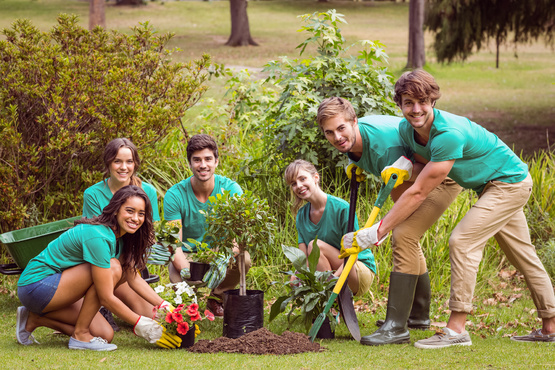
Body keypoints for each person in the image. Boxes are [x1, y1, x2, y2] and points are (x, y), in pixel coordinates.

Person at [340, 69, 555, 348]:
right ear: (400, 105)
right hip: (487, 187)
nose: (416, 109)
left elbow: (418, 193)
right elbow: (419, 167)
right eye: (408, 103)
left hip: (509, 183)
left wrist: (376, 231)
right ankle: (551, 327)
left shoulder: (448, 133)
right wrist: (405, 166)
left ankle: (456, 330)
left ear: (433, 101)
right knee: (523, 256)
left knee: (462, 241)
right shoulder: (408, 130)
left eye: (422, 102)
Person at [316, 97, 462, 345]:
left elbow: (414, 190)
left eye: (341, 128)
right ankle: (417, 316)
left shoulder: (385, 150)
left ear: (354, 121)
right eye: (329, 133)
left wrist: (378, 230)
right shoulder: (357, 141)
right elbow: (364, 151)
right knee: (408, 236)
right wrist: (357, 162)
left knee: (403, 235)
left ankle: (396, 326)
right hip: (409, 177)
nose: (337, 137)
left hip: (439, 178)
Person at [16, 185, 181, 351]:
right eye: (129, 211)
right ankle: (80, 335)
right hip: (36, 285)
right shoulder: (99, 235)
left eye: (141, 213)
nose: (135, 218)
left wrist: (165, 306)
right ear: (116, 210)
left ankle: (34, 318)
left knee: (104, 334)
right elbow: (106, 297)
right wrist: (141, 323)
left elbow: (133, 277)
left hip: (60, 286)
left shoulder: (123, 237)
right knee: (114, 267)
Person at [163, 134, 248, 317]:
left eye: (208, 159)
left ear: (216, 161)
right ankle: (191, 301)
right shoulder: (175, 195)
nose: (203, 165)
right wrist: (187, 271)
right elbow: (173, 243)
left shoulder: (231, 189)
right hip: (189, 254)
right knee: (177, 274)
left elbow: (236, 237)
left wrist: (224, 259)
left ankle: (216, 298)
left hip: (219, 252)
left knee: (244, 259)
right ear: (190, 163)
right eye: (197, 160)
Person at [83, 138, 161, 321]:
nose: (123, 167)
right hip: (104, 263)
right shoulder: (93, 194)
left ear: (135, 164)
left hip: (129, 264)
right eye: (117, 161)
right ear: (108, 163)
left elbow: (149, 232)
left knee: (154, 315)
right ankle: (100, 303)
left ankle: (112, 300)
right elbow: (97, 238)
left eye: (129, 162)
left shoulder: (147, 191)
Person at [284, 159, 376, 296]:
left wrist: (333, 283)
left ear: (315, 177)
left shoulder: (342, 208)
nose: (299, 185)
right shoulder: (301, 216)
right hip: (331, 272)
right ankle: (329, 307)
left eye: (302, 179)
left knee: (315, 246)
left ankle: (333, 305)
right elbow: (303, 259)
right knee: (309, 255)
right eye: (293, 183)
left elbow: (353, 255)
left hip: (356, 269)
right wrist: (296, 277)